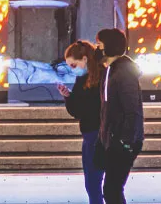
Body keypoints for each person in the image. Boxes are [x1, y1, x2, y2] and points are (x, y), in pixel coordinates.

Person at [97, 28, 145, 204]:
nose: (97, 49)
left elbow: (131, 110)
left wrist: (124, 141)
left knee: (112, 189)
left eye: (99, 45)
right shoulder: (111, 71)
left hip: (122, 141)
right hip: (113, 139)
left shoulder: (123, 74)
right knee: (111, 189)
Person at [59, 40, 107, 204]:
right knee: (93, 183)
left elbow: (83, 109)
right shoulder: (84, 80)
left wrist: (72, 99)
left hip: (98, 133)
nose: (73, 69)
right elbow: (77, 111)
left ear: (85, 59)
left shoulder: (103, 77)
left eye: (74, 65)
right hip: (91, 133)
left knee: (95, 183)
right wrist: (68, 97)